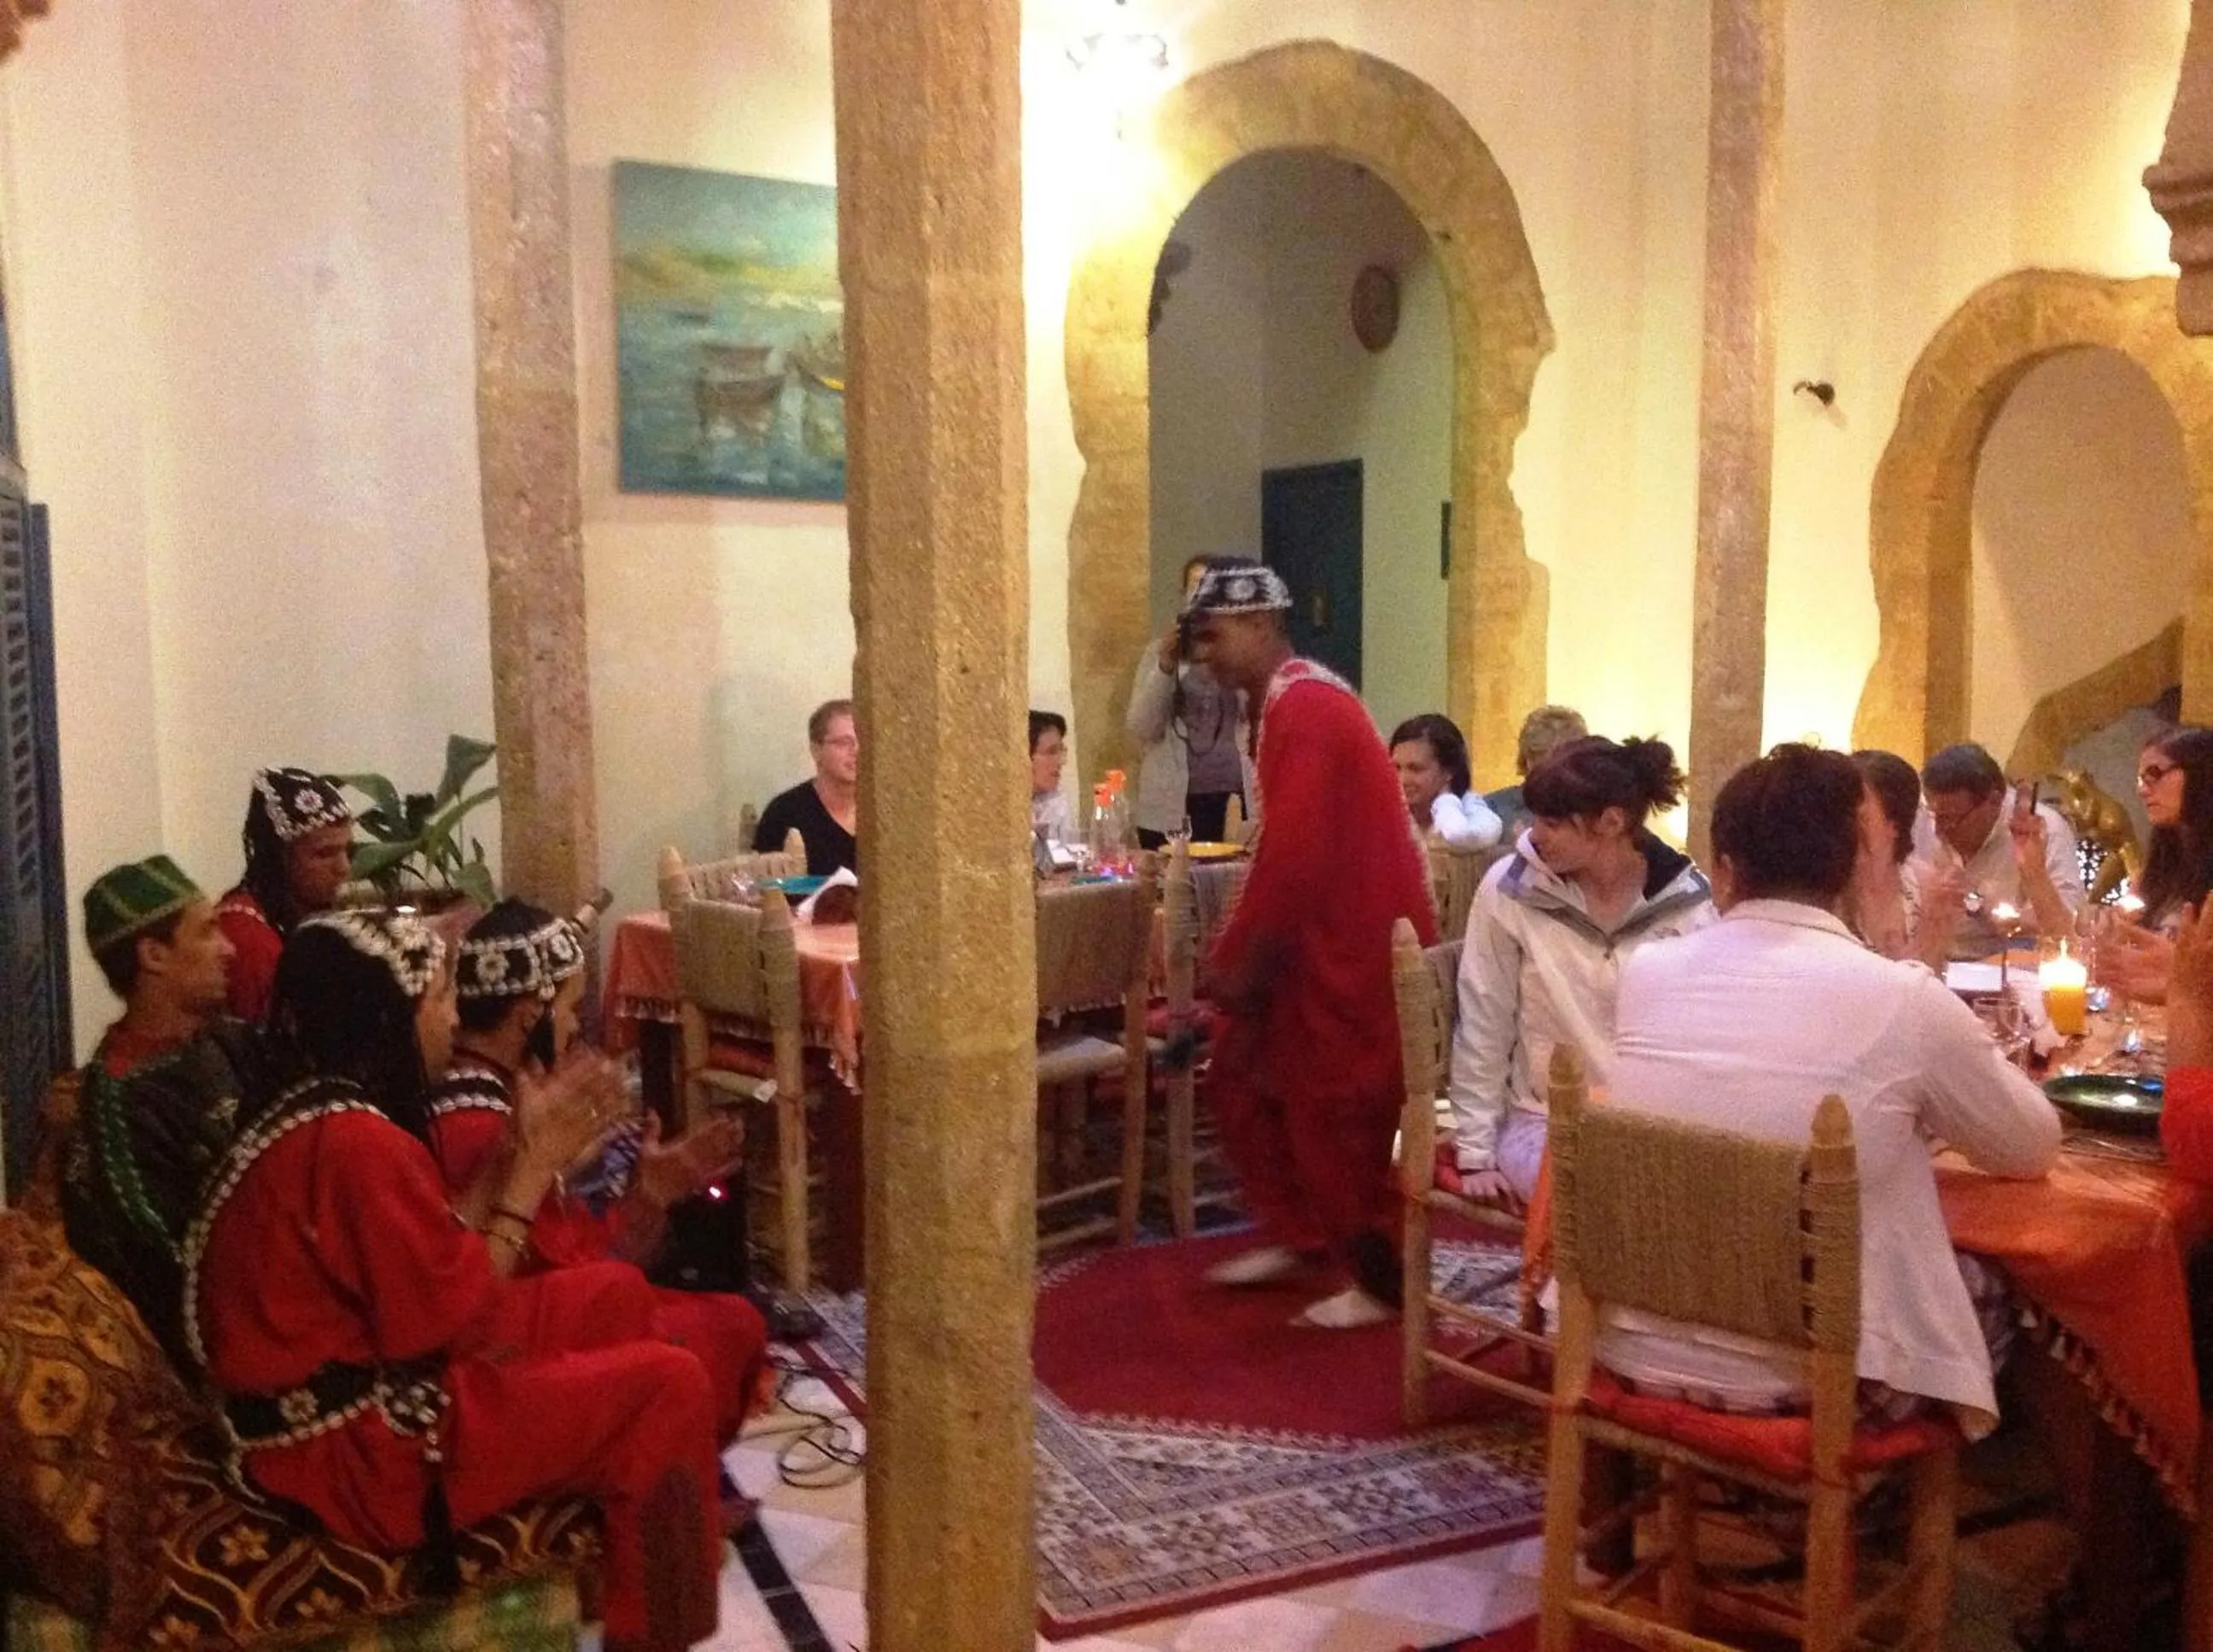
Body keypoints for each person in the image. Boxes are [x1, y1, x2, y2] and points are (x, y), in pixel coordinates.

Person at [184, 910, 725, 1652]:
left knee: (614, 1294)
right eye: (437, 997)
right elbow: (453, 1319)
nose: (451, 1016)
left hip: (353, 1392)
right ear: (392, 1016)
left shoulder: (328, 1111)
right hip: (353, 1454)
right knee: (671, 1384)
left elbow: (437, 1251)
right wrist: (531, 1174)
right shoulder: (352, 1142)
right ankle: (655, 1634)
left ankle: (619, 1543)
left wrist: (514, 1150)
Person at [1598, 744, 2059, 1435]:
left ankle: (1774, 1509)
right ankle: (1886, 1519)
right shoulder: (1899, 998)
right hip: (1815, 1375)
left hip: (1630, 1343)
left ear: (1724, 873)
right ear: (1856, 866)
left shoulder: (1644, 972)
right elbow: (2029, 1145)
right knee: (2008, 1293)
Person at [1178, 562, 1436, 1328]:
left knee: (1336, 1108)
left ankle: (1382, 1277)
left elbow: (1296, 854)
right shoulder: (1280, 704)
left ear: (1261, 625)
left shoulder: (1310, 709)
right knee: (1245, 1076)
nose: (1204, 656)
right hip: (1312, 936)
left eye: (1214, 636)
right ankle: (1301, 1233)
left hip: (1351, 941)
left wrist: (1235, 961)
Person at [423, 898, 769, 1453]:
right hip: (508, 1355)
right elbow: (571, 1282)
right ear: (527, 1016)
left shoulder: (501, 1094)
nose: (574, 1026)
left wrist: (655, 1188)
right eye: (570, 1007)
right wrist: (633, 1189)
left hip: (558, 1311)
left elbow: (590, 1261)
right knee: (727, 1329)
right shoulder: (480, 1121)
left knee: (731, 1318)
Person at [1447, 736, 1711, 1206]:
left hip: (1649, 1126)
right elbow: (1485, 1017)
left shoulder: (1688, 904)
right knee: (1608, 1198)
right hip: (1541, 1120)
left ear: (1611, 822)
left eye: (1551, 822)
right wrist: (1475, 1150)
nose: (1529, 834)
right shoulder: (1510, 889)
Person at [56, 856, 274, 1364]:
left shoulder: (230, 1040)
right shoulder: (117, 1108)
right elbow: (174, 1270)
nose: (230, 949)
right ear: (154, 954)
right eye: (208, 932)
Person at [1127, 554, 1253, 847]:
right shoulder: (1159, 652)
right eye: (1195, 587)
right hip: (1170, 806)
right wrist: (1165, 667)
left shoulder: (1239, 653)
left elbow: (1258, 716)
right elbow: (1141, 727)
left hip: (1233, 798)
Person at [1913, 741, 2083, 955]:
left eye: (1952, 820)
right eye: (1934, 816)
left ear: (1994, 801)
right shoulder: (1919, 819)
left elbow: (2069, 928)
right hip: (1930, 962)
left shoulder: (2043, 830)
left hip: (2012, 967)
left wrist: (1988, 908)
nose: (1938, 831)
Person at [216, 766, 355, 1023]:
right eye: (324, 853)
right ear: (279, 858)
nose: (344, 868)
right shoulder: (245, 935)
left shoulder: (295, 915)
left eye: (348, 851)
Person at [1849, 747, 1964, 966]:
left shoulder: (1925, 885)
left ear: (1895, 824)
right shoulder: (1826, 888)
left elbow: (1933, 983)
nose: (1845, 826)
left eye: (1860, 818)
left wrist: (1934, 940)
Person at [754, 698, 859, 876]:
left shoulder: (885, 812)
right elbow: (764, 892)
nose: (856, 751)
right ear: (816, 750)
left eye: (864, 740)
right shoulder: (784, 814)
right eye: (843, 743)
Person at [1390, 712, 1501, 849]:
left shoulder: (1472, 807)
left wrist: (1445, 800)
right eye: (1396, 768)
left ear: (1449, 771)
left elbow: (1457, 837)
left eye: (1416, 769)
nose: (1402, 779)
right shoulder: (1384, 812)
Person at [1482, 704, 1589, 842]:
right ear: (1526, 759)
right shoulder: (1493, 808)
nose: (1549, 776)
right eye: (1538, 759)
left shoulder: (1593, 812)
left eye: (1560, 764)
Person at [1028, 709, 1077, 847]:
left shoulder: (1056, 801)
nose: (1061, 761)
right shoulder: (1001, 808)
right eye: (1051, 752)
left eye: (1061, 751)